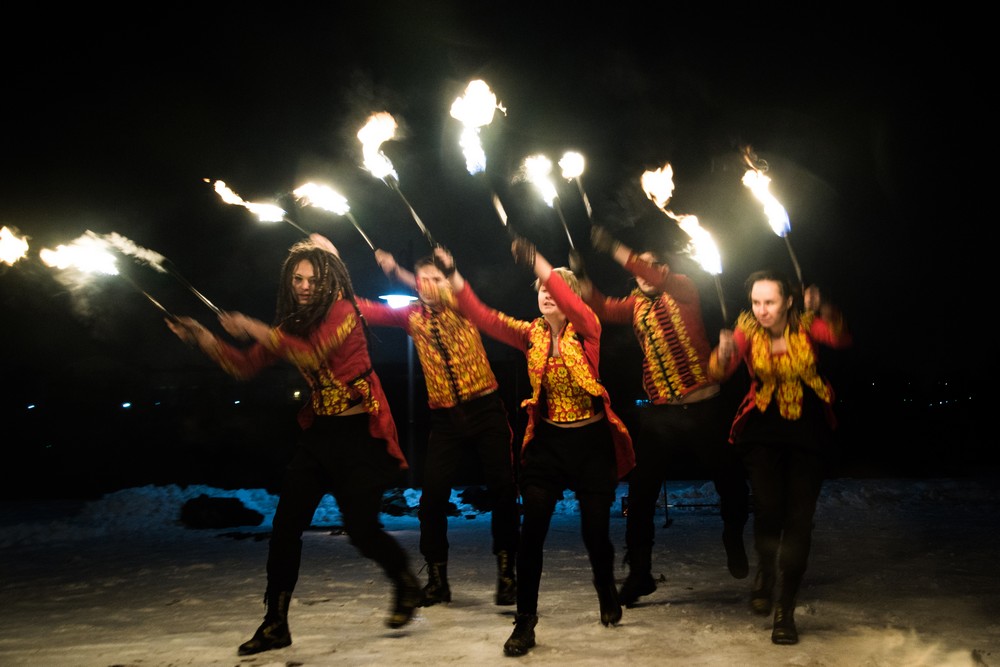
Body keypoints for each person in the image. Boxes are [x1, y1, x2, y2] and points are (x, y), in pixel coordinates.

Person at [165, 238, 421, 656]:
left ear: (328, 280)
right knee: (285, 529)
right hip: (319, 437)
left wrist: (253, 326)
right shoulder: (290, 327)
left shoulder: (344, 311)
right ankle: (275, 623)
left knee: (362, 531)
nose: (303, 286)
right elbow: (243, 365)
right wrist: (203, 338)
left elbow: (312, 355)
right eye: (297, 279)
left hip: (360, 440)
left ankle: (403, 579)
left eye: (312, 279)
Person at [438, 238, 635, 658]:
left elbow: (572, 299)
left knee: (595, 533)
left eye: (555, 288)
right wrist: (454, 277)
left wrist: (546, 267)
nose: (547, 292)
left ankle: (605, 587)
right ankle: (524, 620)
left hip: (591, 445)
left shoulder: (589, 330)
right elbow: (483, 316)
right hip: (547, 445)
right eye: (542, 288)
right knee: (532, 536)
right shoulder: (531, 335)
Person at [584, 225, 750, 608]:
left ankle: (733, 533)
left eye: (654, 266)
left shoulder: (684, 289)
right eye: (640, 268)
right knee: (640, 496)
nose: (646, 273)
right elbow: (599, 305)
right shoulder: (634, 305)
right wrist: (581, 279)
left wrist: (613, 246)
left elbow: (656, 273)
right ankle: (640, 572)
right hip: (662, 416)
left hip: (705, 408)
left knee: (731, 481)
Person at [348, 245, 520, 608]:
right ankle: (438, 578)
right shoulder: (411, 315)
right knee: (432, 498)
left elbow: (457, 290)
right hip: (445, 419)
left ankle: (508, 574)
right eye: (423, 280)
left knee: (503, 489)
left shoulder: (461, 304)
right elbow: (364, 310)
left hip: (485, 409)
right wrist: (336, 283)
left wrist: (411, 271)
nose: (429, 286)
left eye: (436, 279)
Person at [707, 270, 851, 645]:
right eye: (756, 302)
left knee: (799, 521)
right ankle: (766, 571)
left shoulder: (807, 326)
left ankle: (785, 608)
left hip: (808, 429)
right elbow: (718, 371)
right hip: (763, 429)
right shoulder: (747, 331)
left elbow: (839, 335)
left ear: (788, 301)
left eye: (770, 302)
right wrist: (722, 354)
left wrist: (826, 309)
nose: (762, 310)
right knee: (769, 508)